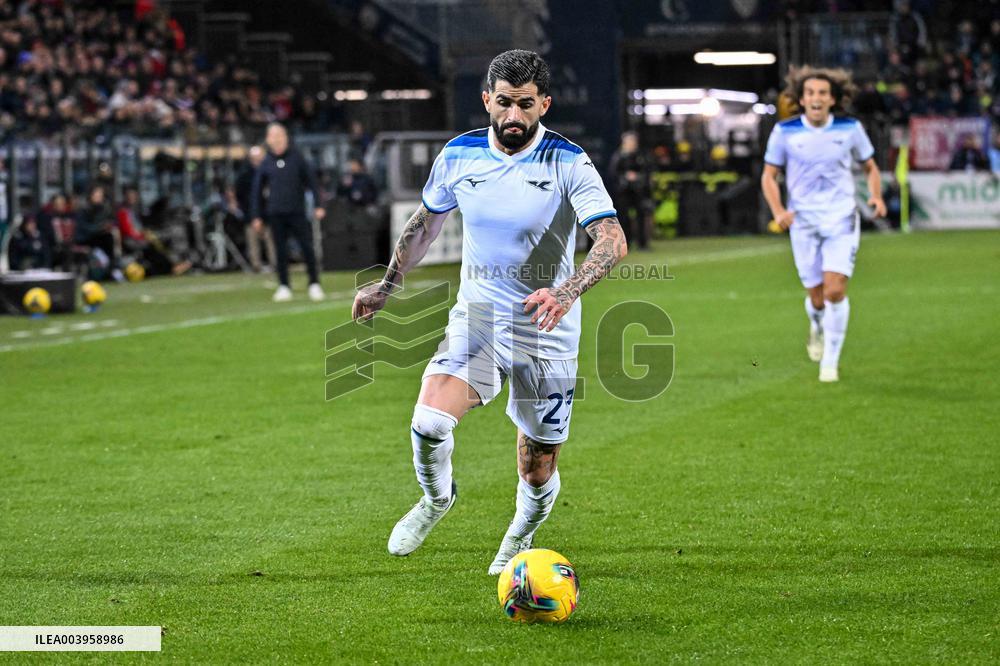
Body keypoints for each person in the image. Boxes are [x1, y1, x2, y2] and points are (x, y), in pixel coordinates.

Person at [351, 50, 627, 574]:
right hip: (480, 320)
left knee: (537, 463)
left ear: (544, 104)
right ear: (487, 100)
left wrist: (567, 291)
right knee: (430, 420)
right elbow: (424, 225)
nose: (514, 117)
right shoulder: (459, 155)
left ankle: (520, 532)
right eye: (504, 103)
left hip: (547, 332)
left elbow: (611, 241)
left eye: (526, 105)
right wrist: (388, 284)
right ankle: (436, 500)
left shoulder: (569, 161)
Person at [761, 66, 886, 383]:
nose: (816, 98)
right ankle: (816, 324)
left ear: (833, 100)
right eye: (810, 93)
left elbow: (870, 167)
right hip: (802, 221)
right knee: (816, 297)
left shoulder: (850, 128)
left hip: (841, 217)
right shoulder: (785, 132)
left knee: (835, 290)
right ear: (801, 100)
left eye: (822, 93)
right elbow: (769, 176)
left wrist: (876, 196)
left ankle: (830, 361)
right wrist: (778, 211)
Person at [250, 123, 326, 301]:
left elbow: (312, 183)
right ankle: (284, 285)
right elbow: (257, 191)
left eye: (280, 135)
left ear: (286, 137)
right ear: (268, 140)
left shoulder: (297, 158)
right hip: (275, 213)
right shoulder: (266, 163)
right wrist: (256, 215)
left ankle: (314, 283)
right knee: (280, 251)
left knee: (307, 248)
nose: (276, 140)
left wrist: (318, 205)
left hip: (297, 211)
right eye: (273, 136)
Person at [236, 145, 275, 272]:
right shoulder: (245, 175)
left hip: (269, 213)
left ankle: (275, 264)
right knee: (253, 242)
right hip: (250, 214)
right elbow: (240, 196)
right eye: (255, 158)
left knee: (271, 241)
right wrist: (250, 213)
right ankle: (256, 266)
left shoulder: (270, 172)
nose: (257, 161)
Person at [609, 131, 651, 249]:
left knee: (641, 215)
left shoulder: (640, 156)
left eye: (634, 142)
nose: (632, 144)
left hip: (638, 191)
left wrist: (638, 178)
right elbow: (613, 174)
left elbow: (647, 172)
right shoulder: (619, 156)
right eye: (630, 142)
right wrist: (625, 178)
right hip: (624, 192)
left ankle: (642, 243)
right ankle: (626, 242)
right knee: (624, 217)